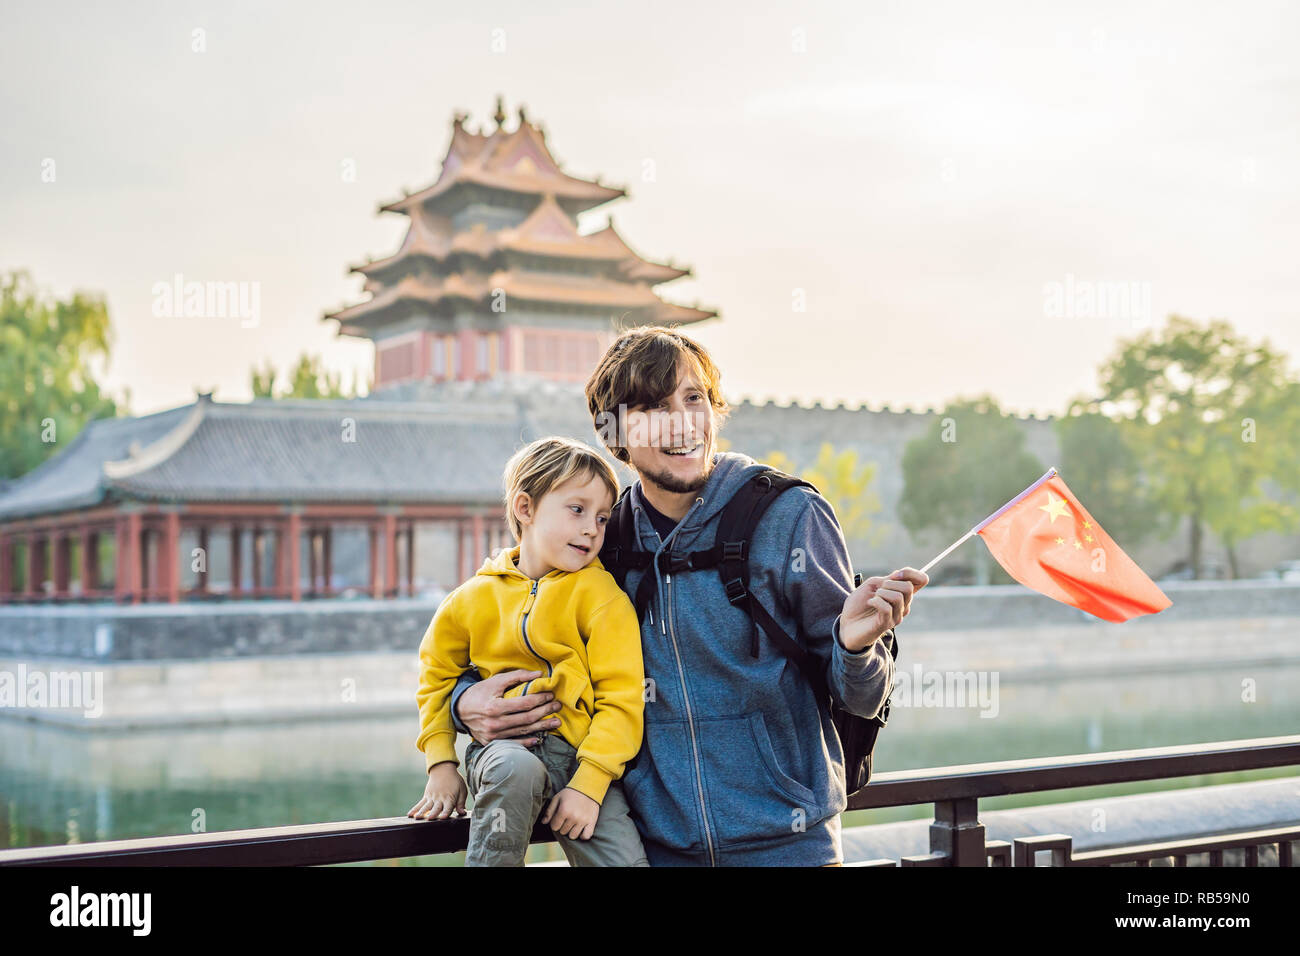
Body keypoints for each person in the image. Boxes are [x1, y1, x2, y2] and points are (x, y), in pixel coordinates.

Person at [450, 325, 929, 865]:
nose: (682, 422)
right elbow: (505, 633)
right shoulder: (602, 540)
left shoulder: (789, 514)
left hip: (791, 846)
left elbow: (863, 698)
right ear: (616, 435)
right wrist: (463, 702)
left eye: (694, 398)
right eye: (653, 406)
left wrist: (856, 647)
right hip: (660, 850)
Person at [406, 436, 648, 867]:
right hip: (503, 756)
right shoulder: (471, 598)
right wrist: (441, 762)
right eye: (577, 510)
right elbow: (435, 676)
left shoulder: (602, 596)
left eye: (602, 517)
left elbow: (623, 699)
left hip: (582, 761)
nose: (592, 528)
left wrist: (589, 785)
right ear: (525, 508)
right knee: (514, 772)